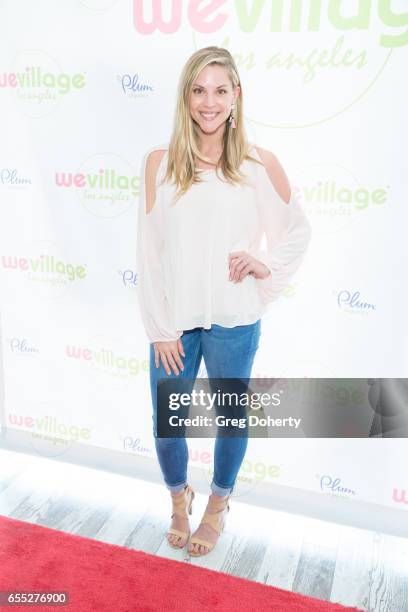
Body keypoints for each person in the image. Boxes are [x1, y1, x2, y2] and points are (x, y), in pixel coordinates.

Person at [136, 46, 312, 557]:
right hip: (175, 323)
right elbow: (148, 253)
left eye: (220, 90)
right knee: (167, 422)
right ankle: (177, 498)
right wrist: (159, 327)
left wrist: (267, 266)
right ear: (185, 97)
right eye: (198, 90)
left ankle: (217, 504)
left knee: (232, 419)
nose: (208, 102)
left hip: (235, 321)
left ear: (236, 96)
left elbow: (297, 232)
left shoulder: (259, 164)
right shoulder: (159, 164)